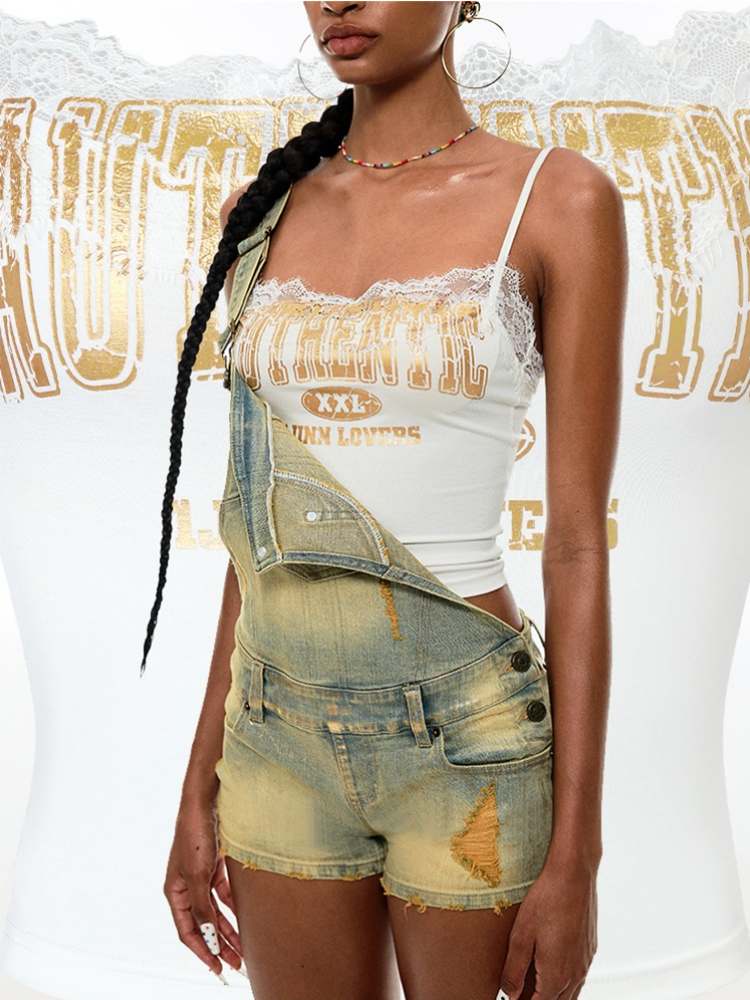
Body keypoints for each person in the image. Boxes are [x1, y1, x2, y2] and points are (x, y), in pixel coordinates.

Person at [141, 2, 628, 997]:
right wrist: (200, 781)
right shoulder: (262, 211)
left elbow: (577, 545)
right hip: (272, 735)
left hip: (467, 736)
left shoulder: (558, 198)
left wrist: (578, 857)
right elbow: (256, 535)